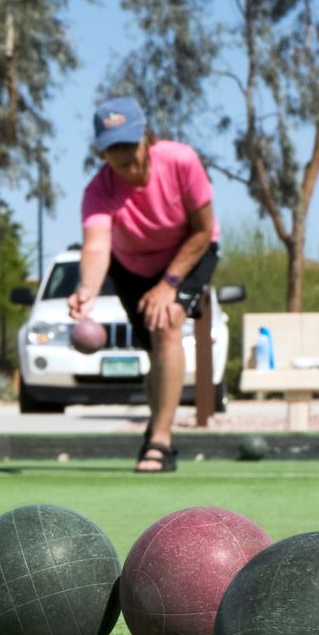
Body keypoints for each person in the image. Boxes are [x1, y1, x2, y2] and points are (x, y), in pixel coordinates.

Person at [67, 96, 220, 473]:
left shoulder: (181, 161)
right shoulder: (98, 192)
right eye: (113, 148)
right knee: (154, 346)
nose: (125, 157)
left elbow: (203, 231)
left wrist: (170, 283)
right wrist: (86, 289)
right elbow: (98, 245)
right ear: (101, 152)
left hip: (190, 251)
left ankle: (161, 442)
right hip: (132, 267)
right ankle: (158, 424)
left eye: (129, 144)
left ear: (146, 137)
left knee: (167, 322)